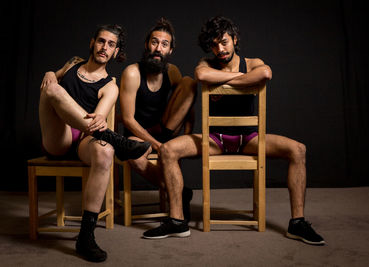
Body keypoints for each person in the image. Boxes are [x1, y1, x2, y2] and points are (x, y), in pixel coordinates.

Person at [142, 16, 325, 246]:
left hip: (249, 138)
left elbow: (265, 73)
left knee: (298, 150)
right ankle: (177, 221)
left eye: (224, 42)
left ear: (234, 39)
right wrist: (242, 79)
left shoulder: (252, 62)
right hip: (214, 139)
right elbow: (201, 76)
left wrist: (230, 79)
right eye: (215, 45)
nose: (220, 49)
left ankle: (297, 223)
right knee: (168, 150)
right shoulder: (207, 63)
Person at [39, 24, 151, 262]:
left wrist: (100, 124)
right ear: (92, 42)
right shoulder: (72, 63)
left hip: (85, 139)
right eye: (101, 41)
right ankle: (114, 138)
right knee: (53, 90)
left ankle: (86, 236)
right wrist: (50, 72)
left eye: (111, 45)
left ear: (115, 51)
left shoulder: (110, 85)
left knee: (105, 152)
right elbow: (53, 82)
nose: (104, 47)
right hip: (57, 136)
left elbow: (98, 119)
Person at [119, 17, 197, 221]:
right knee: (133, 156)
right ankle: (180, 192)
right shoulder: (132, 73)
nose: (158, 48)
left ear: (170, 50)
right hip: (138, 133)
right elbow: (127, 119)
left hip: (164, 129)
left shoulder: (172, 72)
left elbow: (187, 104)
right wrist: (155, 144)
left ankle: (176, 195)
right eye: (154, 42)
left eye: (164, 44)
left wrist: (186, 137)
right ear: (147, 45)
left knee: (189, 82)